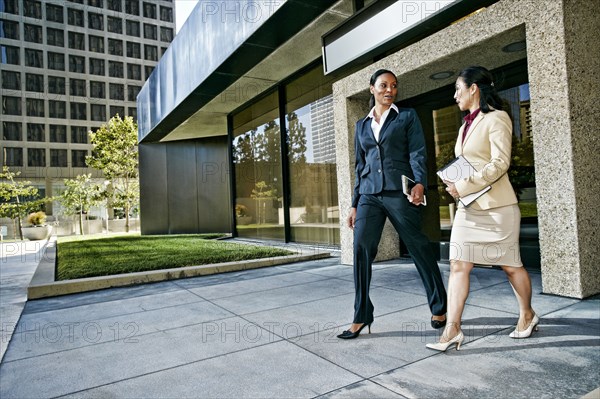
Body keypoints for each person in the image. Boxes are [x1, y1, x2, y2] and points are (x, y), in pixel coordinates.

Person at [426, 66, 538, 352]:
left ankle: (527, 314)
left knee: (511, 266)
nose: (455, 96)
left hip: (498, 208)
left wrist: (464, 185)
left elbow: (500, 163)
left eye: (458, 89)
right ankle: (452, 329)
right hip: (468, 209)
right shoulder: (465, 125)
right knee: (458, 264)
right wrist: (455, 184)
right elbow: (470, 163)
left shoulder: (497, 118)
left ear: (473, 88)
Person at [338, 69, 447, 340]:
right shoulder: (361, 125)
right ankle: (361, 315)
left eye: (394, 86)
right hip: (368, 195)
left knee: (418, 246)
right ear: (372, 89)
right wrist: (354, 203)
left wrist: (419, 182)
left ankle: (439, 306)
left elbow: (417, 152)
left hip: (399, 192)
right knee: (361, 249)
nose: (390, 90)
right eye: (384, 85)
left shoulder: (406, 117)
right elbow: (359, 165)